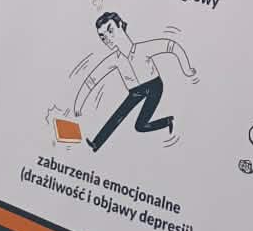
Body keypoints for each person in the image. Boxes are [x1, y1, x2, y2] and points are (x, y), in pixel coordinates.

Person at [64, 11, 198, 151]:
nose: (107, 38)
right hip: (135, 91)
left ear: (120, 24)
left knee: (140, 126)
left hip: (154, 86)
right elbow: (92, 80)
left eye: (110, 30)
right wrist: (78, 105)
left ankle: (166, 121)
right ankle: (96, 143)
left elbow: (171, 46)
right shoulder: (114, 59)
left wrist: (187, 69)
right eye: (103, 37)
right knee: (119, 114)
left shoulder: (143, 48)